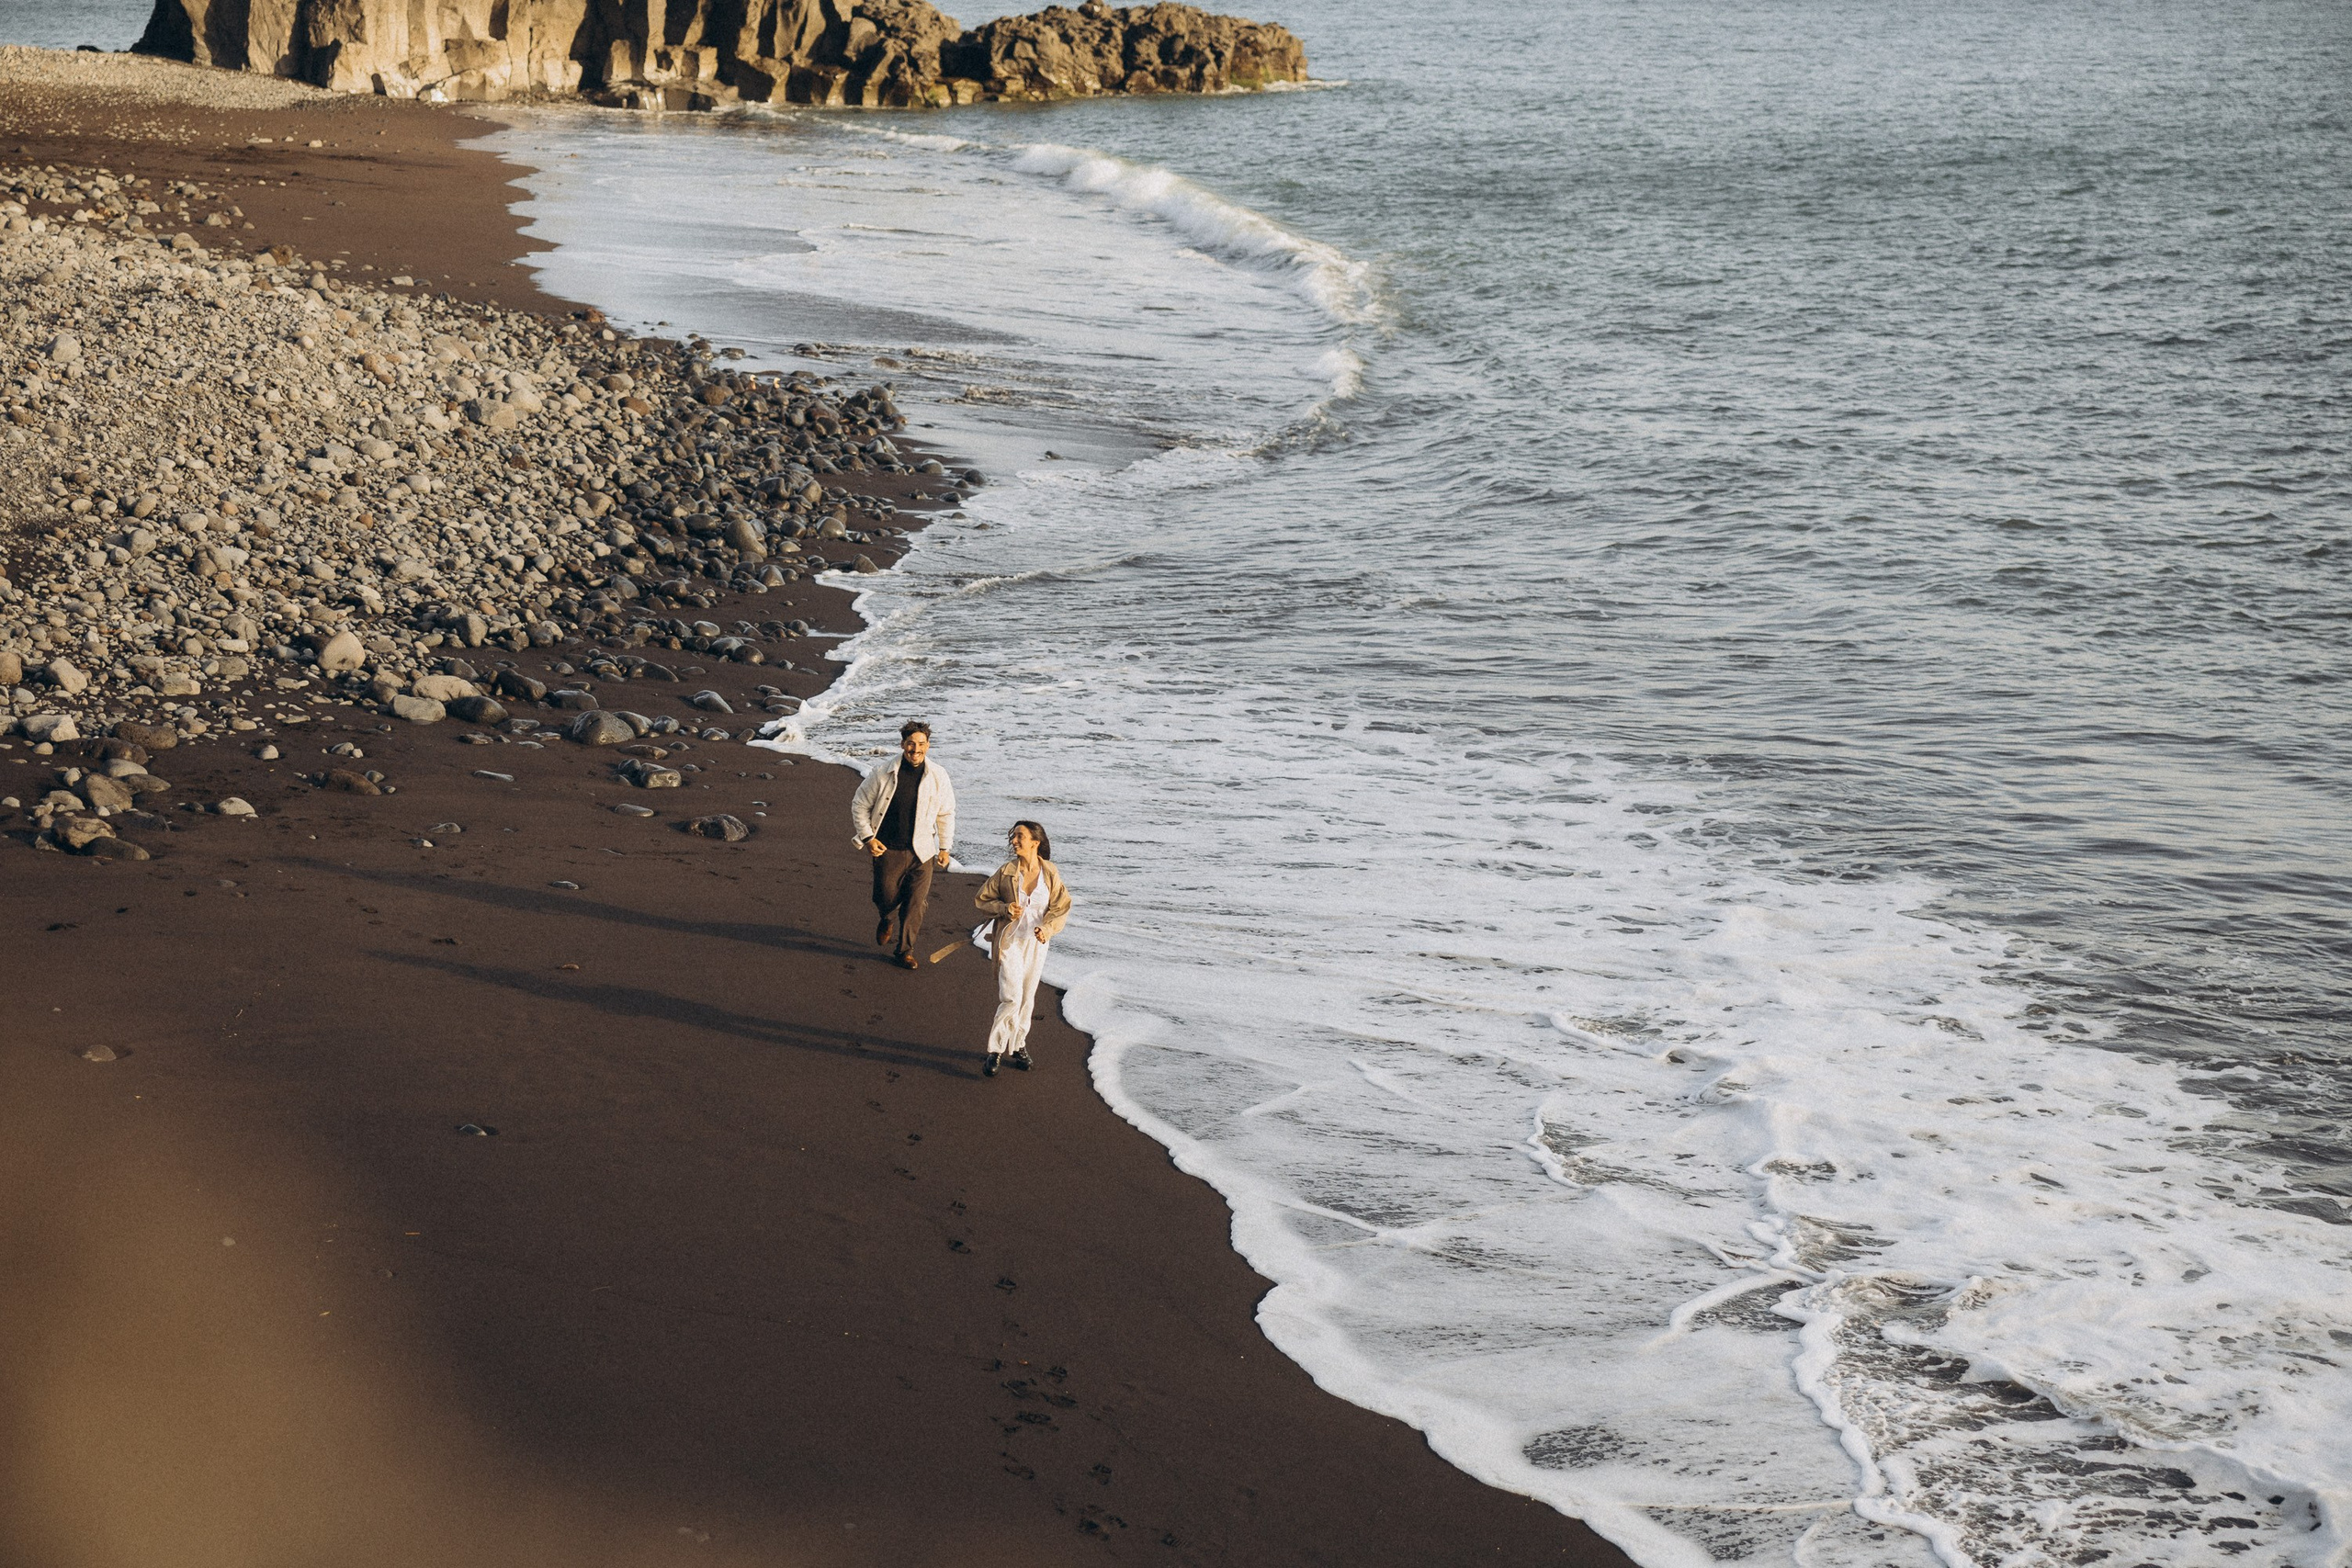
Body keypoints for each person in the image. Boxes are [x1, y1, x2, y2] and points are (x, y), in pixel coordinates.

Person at [849, 720, 956, 969]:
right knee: (885, 897)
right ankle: (886, 918)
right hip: (887, 849)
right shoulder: (883, 773)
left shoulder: (939, 775)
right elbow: (859, 804)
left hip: (923, 852)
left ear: (928, 746)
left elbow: (946, 812)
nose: (915, 749)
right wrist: (868, 837)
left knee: (916, 903)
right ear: (903, 745)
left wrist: (944, 847)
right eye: (911, 743)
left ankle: (905, 951)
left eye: (921, 744)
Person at [973, 819, 1070, 1077]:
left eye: (1020, 837)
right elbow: (982, 900)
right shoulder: (1006, 872)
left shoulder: (1049, 872)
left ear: (1035, 843)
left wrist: (1046, 929)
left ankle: (1018, 1045)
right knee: (1012, 996)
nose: (1014, 841)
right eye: (1014, 836)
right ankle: (995, 1050)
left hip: (1037, 945)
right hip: (1009, 942)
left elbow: (1062, 906)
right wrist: (1005, 909)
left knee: (1027, 997)